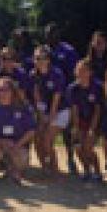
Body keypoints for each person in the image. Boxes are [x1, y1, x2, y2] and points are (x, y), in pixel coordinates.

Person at [0, 77, 37, 184]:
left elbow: (31, 130)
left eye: (7, 89)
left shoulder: (23, 107)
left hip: (16, 143)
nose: (4, 92)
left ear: (13, 91)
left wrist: (17, 145)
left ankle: (13, 171)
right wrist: (0, 141)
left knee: (22, 158)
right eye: (0, 90)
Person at [30, 45, 70, 178]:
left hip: (60, 110)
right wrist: (42, 116)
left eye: (43, 58)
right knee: (37, 137)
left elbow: (56, 98)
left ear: (48, 60)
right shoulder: (33, 74)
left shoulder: (57, 74)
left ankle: (55, 169)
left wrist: (50, 117)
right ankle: (45, 168)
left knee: (47, 139)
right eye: (37, 58)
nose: (40, 60)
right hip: (44, 111)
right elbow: (37, 97)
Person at [67, 59, 103, 182]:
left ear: (90, 72)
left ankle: (98, 172)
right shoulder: (73, 88)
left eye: (84, 70)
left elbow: (98, 110)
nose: (81, 73)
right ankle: (87, 170)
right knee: (77, 146)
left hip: (95, 120)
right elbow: (74, 109)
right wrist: (76, 128)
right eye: (79, 70)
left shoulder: (97, 86)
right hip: (80, 120)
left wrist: (92, 129)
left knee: (88, 146)